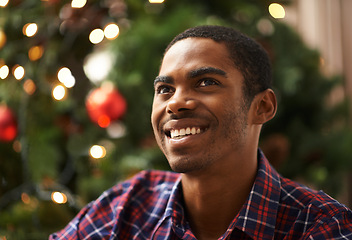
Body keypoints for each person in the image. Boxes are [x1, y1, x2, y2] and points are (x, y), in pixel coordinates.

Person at [50, 25, 352, 240]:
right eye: (165, 89)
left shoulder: (321, 226)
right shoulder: (126, 207)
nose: (176, 103)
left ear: (262, 106)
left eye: (207, 82)